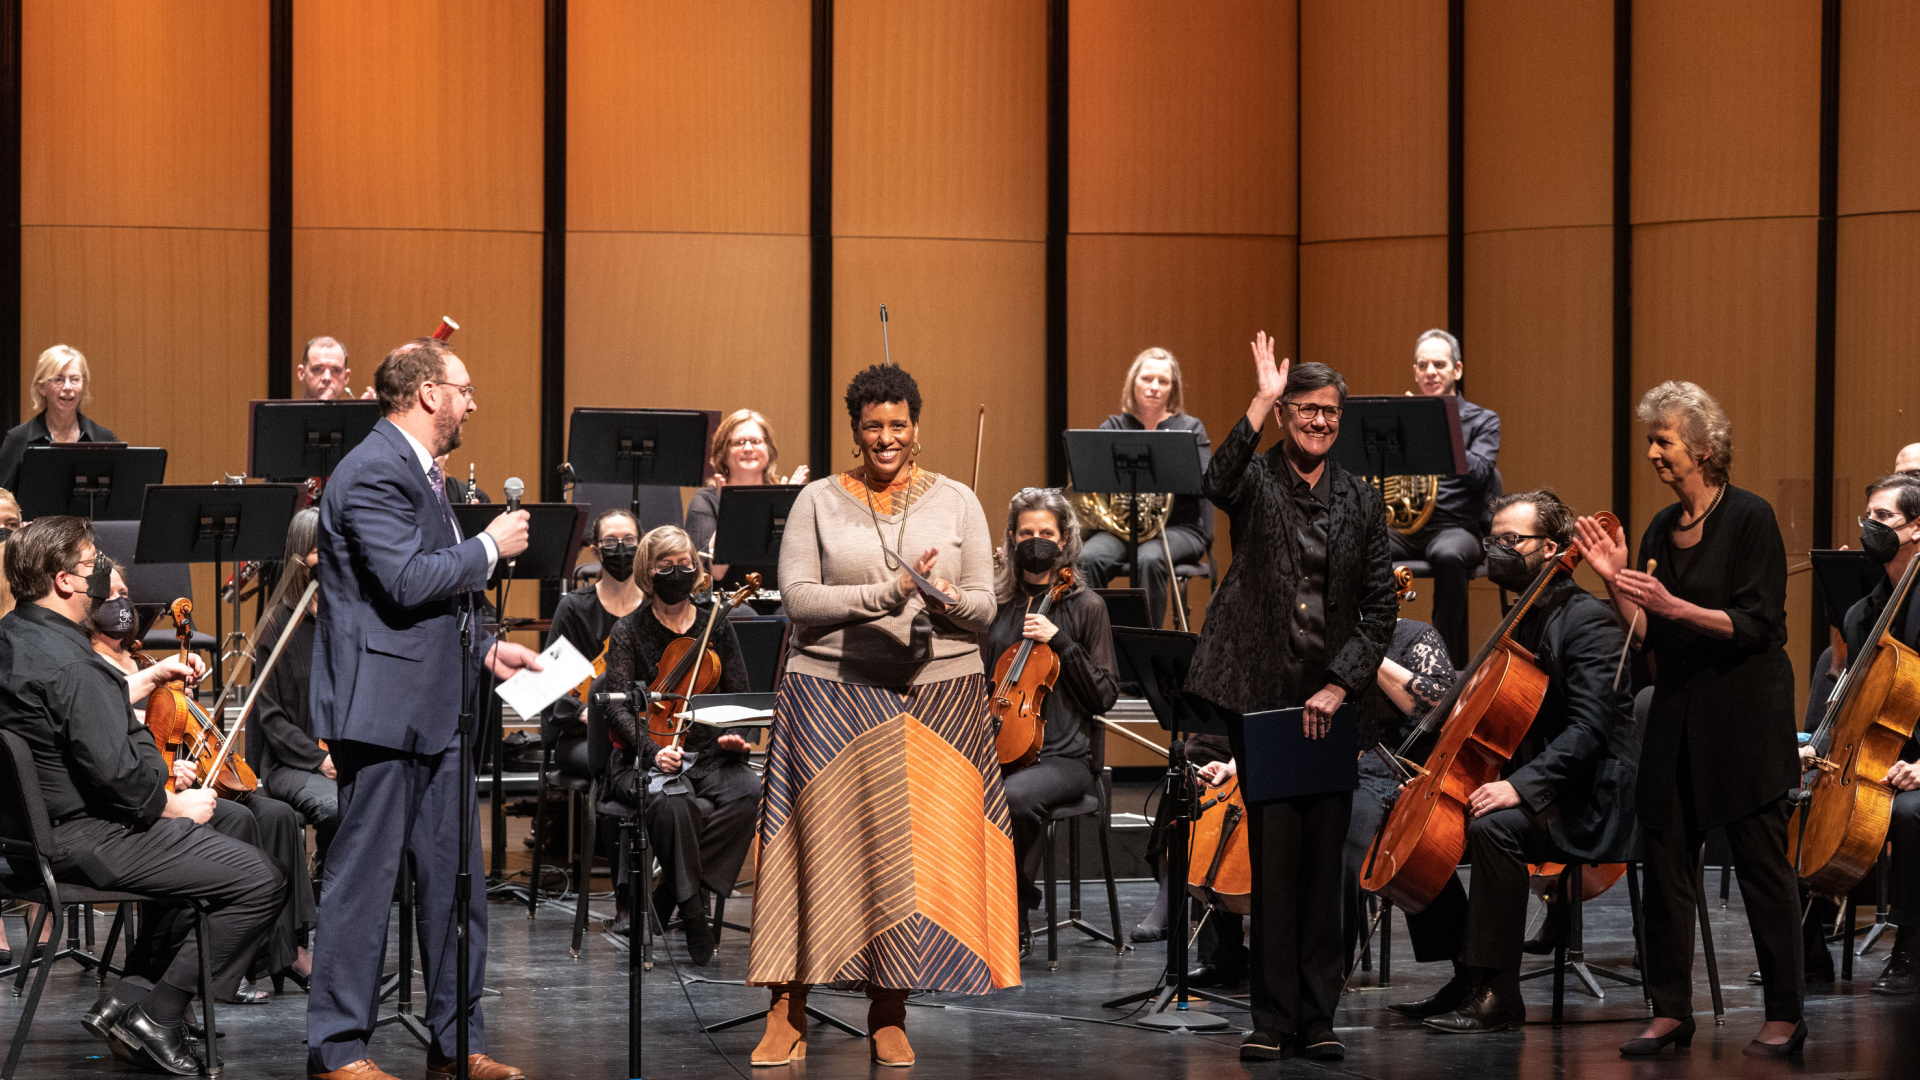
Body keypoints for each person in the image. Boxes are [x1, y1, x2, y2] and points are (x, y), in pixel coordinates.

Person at [747, 363, 1017, 1068]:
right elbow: (799, 599)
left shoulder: (958, 501)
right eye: (873, 425)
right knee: (813, 848)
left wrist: (943, 597)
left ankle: (889, 1009)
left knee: (909, 862)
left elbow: (987, 607)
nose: (886, 437)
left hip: (938, 696)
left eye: (898, 424)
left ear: (916, 429)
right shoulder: (817, 500)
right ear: (855, 430)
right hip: (833, 690)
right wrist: (887, 590)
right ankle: (787, 1005)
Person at [304, 337, 541, 1080]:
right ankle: (338, 1048)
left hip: (439, 708)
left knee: (456, 884)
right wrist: (491, 547)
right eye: (464, 389)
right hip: (382, 711)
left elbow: (431, 600)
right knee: (364, 885)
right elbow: (405, 581)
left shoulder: (421, 472)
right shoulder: (374, 468)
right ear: (430, 392)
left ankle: (455, 1042)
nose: (472, 403)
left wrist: (484, 649)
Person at [0, 516, 285, 1075]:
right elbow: (122, 778)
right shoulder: (72, 663)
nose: (102, 577)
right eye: (92, 566)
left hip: (33, 837)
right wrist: (168, 800)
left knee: (227, 823)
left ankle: (126, 1000)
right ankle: (161, 1014)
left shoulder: (14, 638)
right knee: (257, 881)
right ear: (64, 581)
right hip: (84, 838)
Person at [1575, 380, 1806, 1058]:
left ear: (1702, 448)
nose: (1652, 452)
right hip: (1677, 712)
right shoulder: (1657, 529)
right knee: (1666, 860)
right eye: (1651, 440)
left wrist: (1673, 606)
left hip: (1744, 712)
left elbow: (1758, 623)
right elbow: (1645, 633)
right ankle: (1670, 1009)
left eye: (1663, 441)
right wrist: (1617, 584)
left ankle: (1786, 1013)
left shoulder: (1751, 519)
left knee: (1763, 866)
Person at [1183, 334, 1397, 1062]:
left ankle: (1317, 1017)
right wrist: (1260, 398)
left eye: (1329, 412)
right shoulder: (1259, 482)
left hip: (1334, 705)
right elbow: (1215, 482)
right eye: (1305, 410)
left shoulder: (1362, 503)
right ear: (1286, 415)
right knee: (1275, 860)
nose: (1319, 423)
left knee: (1325, 860)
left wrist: (1342, 684)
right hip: (1268, 702)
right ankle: (1271, 1021)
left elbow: (1380, 610)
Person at [1385, 490, 1640, 1033]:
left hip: (1588, 796)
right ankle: (1465, 975)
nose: (1497, 550)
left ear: (1552, 548)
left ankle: (1499, 995)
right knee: (1416, 831)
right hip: (1547, 786)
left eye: (1511, 541)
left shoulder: (1588, 621)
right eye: (1492, 540)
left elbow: (1590, 730)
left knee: (1494, 828)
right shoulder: (1522, 618)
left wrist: (1520, 787)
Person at [88, 556, 319, 1003]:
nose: (120, 603)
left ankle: (283, 949)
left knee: (277, 814)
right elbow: (120, 735)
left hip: (179, 775)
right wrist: (169, 762)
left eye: (124, 594)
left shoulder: (137, 658)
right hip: (152, 790)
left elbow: (168, 727)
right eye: (109, 596)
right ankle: (243, 961)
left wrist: (183, 715)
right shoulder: (93, 668)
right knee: (238, 819)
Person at [599, 525, 757, 959]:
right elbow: (616, 706)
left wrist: (736, 737)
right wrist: (653, 751)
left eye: (685, 564)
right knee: (673, 804)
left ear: (697, 569)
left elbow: (738, 694)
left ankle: (668, 891)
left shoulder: (715, 627)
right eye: (665, 565)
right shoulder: (629, 630)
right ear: (648, 572)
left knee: (748, 793)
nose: (676, 572)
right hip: (646, 756)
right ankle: (691, 912)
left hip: (708, 755)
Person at [981, 488, 1120, 932]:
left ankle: (1013, 912)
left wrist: (1060, 641)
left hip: (1065, 757)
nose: (1035, 540)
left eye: (1046, 532)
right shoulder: (998, 607)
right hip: (999, 748)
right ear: (1010, 539)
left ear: (1064, 541)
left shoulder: (1085, 606)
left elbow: (1104, 695)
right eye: (1026, 532)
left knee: (1015, 798)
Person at [1833, 472, 1920, 996]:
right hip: (1876, 756)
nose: (1870, 527)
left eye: (1882, 518)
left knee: (1909, 814)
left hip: (1917, 766)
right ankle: (1807, 952)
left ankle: (1910, 946)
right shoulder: (1862, 612)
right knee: (1796, 799)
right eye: (1868, 517)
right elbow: (1853, 706)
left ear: (1917, 528)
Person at [1075, 347, 1214, 631]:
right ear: (1133, 382)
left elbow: (1203, 481)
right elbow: (1093, 484)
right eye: (1147, 378)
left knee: (1150, 559)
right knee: (1088, 558)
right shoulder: (1113, 426)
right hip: (1121, 530)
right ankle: (1101, 639)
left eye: (1163, 381)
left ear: (1172, 388)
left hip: (1179, 528)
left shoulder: (1189, 428)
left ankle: (1145, 641)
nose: (1154, 387)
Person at [1390, 330, 1501, 666]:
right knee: (1362, 545)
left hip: (1456, 528)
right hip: (1406, 526)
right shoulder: (1399, 417)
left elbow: (1481, 473)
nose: (1431, 371)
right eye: (1423, 365)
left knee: (1449, 555)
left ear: (1457, 370)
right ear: (1415, 372)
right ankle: (1375, 650)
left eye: (1439, 364)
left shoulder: (1483, 420)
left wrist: (1436, 427)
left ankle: (1446, 664)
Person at [248, 509, 341, 854]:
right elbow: (270, 719)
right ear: (300, 558)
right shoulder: (276, 624)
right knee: (337, 808)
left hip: (345, 755)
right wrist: (321, 759)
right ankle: (327, 884)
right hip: (292, 763)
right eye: (321, 550)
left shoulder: (347, 617)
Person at [686, 408, 807, 587]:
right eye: (739, 442)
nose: (748, 448)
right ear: (723, 453)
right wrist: (730, 511)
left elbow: (800, 566)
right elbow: (714, 574)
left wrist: (789, 509)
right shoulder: (705, 501)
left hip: (779, 602)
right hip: (728, 605)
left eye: (756, 441)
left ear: (768, 450)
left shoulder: (783, 496)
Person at [0, 344, 119, 492]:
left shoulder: (105, 440)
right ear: (42, 387)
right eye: (58, 380)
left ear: (83, 385)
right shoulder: (17, 439)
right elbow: (3, 503)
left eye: (75, 379)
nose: (68, 387)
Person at [296, 336, 373, 401]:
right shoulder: (285, 417)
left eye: (336, 370)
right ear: (302, 373)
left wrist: (371, 414)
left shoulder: (357, 415)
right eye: (317, 369)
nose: (327, 378)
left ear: (346, 377)